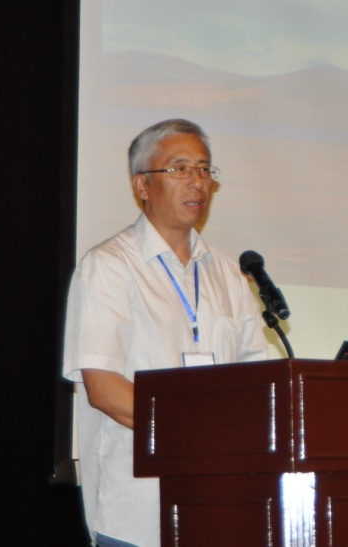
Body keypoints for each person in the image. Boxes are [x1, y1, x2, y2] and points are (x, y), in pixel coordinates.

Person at [62, 118, 269, 547]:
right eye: (180, 169)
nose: (197, 182)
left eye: (204, 169)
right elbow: (103, 388)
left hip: (220, 506)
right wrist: (200, 433)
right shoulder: (109, 266)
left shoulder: (229, 274)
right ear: (142, 185)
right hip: (137, 513)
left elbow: (257, 379)